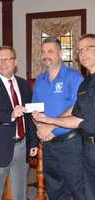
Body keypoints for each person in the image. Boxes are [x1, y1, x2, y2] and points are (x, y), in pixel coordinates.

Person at [33, 33, 95, 200]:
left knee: (79, 191)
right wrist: (40, 128)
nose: (46, 55)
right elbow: (36, 108)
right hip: (48, 145)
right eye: (44, 51)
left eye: (50, 51)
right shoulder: (40, 79)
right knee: (54, 189)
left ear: (60, 53)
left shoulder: (74, 77)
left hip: (71, 144)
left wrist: (51, 127)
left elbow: (77, 107)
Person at [0, 45, 39, 200]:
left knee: (20, 195)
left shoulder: (24, 85)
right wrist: (11, 114)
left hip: (21, 147)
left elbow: (29, 116)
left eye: (7, 59)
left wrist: (33, 142)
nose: (2, 63)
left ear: (15, 62)